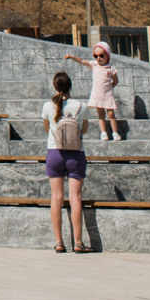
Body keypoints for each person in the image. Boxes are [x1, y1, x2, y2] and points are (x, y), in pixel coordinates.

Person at [43, 71, 89, 253]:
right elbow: (83, 130)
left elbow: (47, 129)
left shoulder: (48, 106)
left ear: (55, 87)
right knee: (75, 198)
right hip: (75, 154)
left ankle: (58, 242)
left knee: (56, 198)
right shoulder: (82, 106)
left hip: (54, 154)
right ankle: (78, 242)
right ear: (70, 86)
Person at [65, 43, 123, 144]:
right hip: (98, 94)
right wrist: (72, 57)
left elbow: (115, 80)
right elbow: (82, 61)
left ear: (107, 55)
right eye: (96, 56)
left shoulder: (110, 68)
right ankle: (103, 132)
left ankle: (115, 132)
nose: (98, 58)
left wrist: (110, 87)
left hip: (107, 94)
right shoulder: (94, 65)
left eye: (101, 55)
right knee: (100, 114)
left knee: (110, 113)